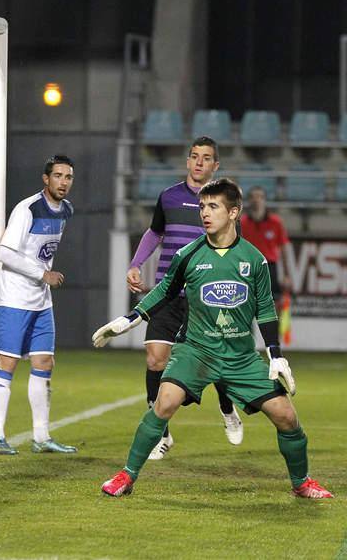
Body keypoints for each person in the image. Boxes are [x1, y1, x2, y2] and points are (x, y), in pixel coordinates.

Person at [93, 178, 333, 499]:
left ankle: (301, 483)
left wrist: (276, 356)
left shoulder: (254, 259)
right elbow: (165, 291)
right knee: (164, 403)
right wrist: (130, 319)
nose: (205, 213)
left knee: (287, 417)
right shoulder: (188, 254)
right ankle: (127, 475)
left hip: (241, 358)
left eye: (213, 206)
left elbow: (265, 310)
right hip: (196, 352)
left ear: (234, 212)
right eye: (203, 206)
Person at [126, 136, 242, 460]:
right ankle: (161, 435)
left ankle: (227, 408)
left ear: (215, 166)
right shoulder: (169, 197)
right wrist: (136, 264)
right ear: (188, 161)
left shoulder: (222, 207)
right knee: (155, 360)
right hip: (167, 293)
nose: (199, 163)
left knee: (215, 364)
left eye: (206, 158)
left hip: (203, 300)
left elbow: (233, 252)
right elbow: (154, 233)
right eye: (194, 156)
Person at [0, 155, 77, 455]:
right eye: (58, 176)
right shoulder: (27, 209)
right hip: (13, 298)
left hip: (40, 300)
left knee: (44, 363)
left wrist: (43, 278)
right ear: (45, 178)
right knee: (8, 363)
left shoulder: (66, 210)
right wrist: (43, 274)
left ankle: (41, 437)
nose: (63, 181)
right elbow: (5, 253)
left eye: (68, 177)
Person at [240, 185, 293, 308]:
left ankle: (274, 327)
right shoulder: (242, 223)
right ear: (249, 201)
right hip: (249, 267)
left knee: (273, 303)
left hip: (270, 267)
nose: (256, 200)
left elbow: (284, 249)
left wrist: (286, 275)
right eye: (253, 197)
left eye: (259, 197)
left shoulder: (275, 222)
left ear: (264, 200)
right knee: (246, 303)